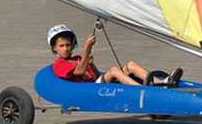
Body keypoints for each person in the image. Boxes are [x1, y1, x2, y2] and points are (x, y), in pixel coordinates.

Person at [47, 24, 182, 86]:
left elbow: (95, 75)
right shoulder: (59, 64)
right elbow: (80, 71)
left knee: (130, 65)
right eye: (61, 46)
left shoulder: (77, 58)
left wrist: (91, 63)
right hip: (88, 90)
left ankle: (162, 83)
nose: (65, 49)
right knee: (114, 70)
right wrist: (87, 48)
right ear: (55, 48)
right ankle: (141, 90)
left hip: (95, 82)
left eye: (68, 45)